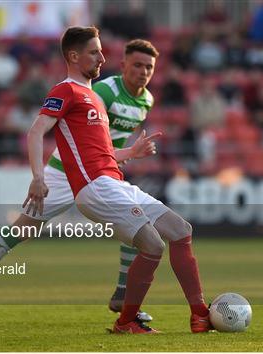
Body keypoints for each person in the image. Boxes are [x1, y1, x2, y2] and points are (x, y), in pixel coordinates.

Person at [0, 37, 173, 327]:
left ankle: (123, 295)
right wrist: (39, 176)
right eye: (137, 65)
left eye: (149, 67)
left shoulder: (147, 101)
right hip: (65, 172)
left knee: (137, 224)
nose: (143, 72)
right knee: (23, 231)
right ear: (123, 65)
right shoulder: (102, 90)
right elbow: (71, 128)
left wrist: (126, 154)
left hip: (101, 172)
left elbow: (103, 142)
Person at [26, 26, 211, 334]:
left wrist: (132, 153)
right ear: (73, 56)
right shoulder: (66, 90)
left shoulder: (93, 97)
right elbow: (35, 131)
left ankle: (200, 314)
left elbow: (102, 151)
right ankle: (126, 321)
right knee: (152, 245)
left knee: (180, 230)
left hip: (114, 181)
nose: (102, 57)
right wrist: (37, 177)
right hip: (94, 187)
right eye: (95, 51)